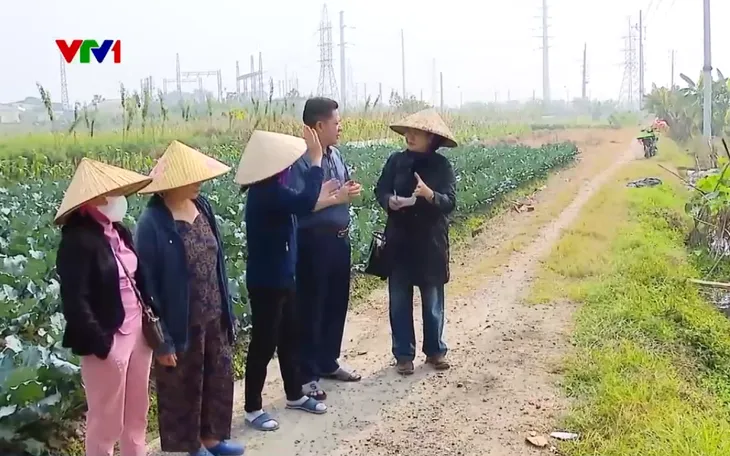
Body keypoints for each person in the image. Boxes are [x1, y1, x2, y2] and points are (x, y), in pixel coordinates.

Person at [134, 141, 244, 456]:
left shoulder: (203, 206)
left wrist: (227, 311)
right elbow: (146, 285)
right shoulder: (153, 222)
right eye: (191, 178)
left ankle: (212, 439)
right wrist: (162, 341)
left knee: (217, 378)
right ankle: (191, 446)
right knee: (185, 386)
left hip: (213, 314)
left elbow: (218, 262)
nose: (199, 183)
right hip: (181, 320)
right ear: (171, 183)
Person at [235, 128, 342, 431]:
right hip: (266, 281)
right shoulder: (266, 193)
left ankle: (294, 394)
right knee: (263, 344)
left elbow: (302, 200)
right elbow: (304, 202)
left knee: (288, 338)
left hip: (283, 275)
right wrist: (316, 162)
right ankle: (253, 408)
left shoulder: (274, 189)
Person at [55, 158, 154, 456]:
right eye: (109, 194)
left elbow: (139, 277)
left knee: (137, 412)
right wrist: (101, 344)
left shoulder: (119, 231)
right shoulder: (77, 241)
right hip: (109, 338)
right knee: (106, 422)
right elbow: (75, 300)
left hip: (138, 332)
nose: (117, 199)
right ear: (90, 201)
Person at [288, 97, 362, 400]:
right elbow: (299, 206)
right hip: (313, 242)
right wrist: (336, 198)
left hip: (339, 239)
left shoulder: (336, 154)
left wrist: (347, 191)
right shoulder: (299, 160)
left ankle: (329, 361)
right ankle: (307, 375)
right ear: (319, 125)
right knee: (311, 308)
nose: (340, 127)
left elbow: (339, 189)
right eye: (336, 122)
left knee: (335, 304)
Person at [374, 108, 458, 376]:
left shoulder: (442, 166)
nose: (409, 136)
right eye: (407, 132)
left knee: (432, 302)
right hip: (399, 241)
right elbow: (380, 189)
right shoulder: (396, 161)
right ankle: (403, 355)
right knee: (399, 301)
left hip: (430, 242)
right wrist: (390, 201)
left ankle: (435, 351)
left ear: (431, 138)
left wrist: (429, 194)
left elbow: (450, 202)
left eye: (416, 133)